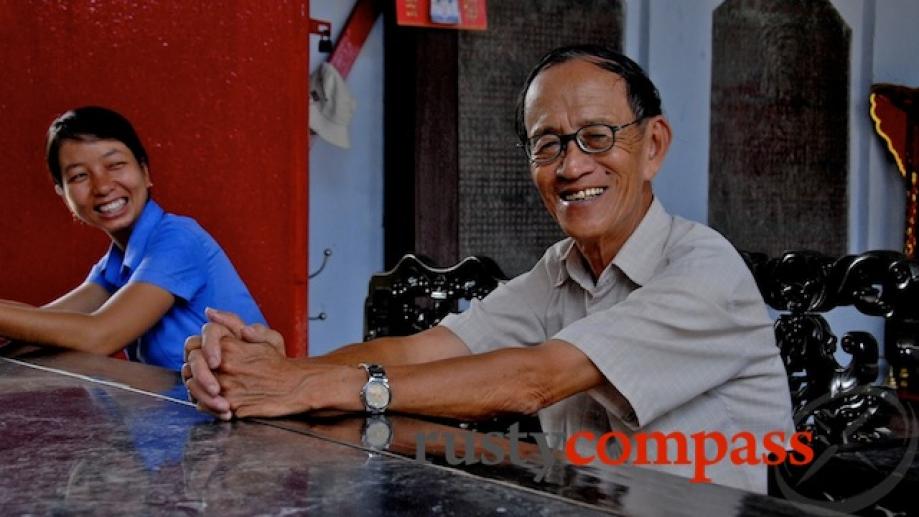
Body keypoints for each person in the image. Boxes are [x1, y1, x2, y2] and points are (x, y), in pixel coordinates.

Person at [184, 45, 794, 492]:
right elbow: (424, 351)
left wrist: (310, 385)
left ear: (653, 145)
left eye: (598, 137)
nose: (572, 166)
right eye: (547, 144)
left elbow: (537, 379)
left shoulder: (704, 270)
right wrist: (273, 370)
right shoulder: (561, 270)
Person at [0, 106, 265, 371]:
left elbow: (99, 335)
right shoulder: (114, 266)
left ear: (145, 172)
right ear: (63, 194)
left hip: (251, 408)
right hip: (190, 407)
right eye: (80, 175)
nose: (102, 186)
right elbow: (40, 327)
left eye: (115, 165)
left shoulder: (179, 238)